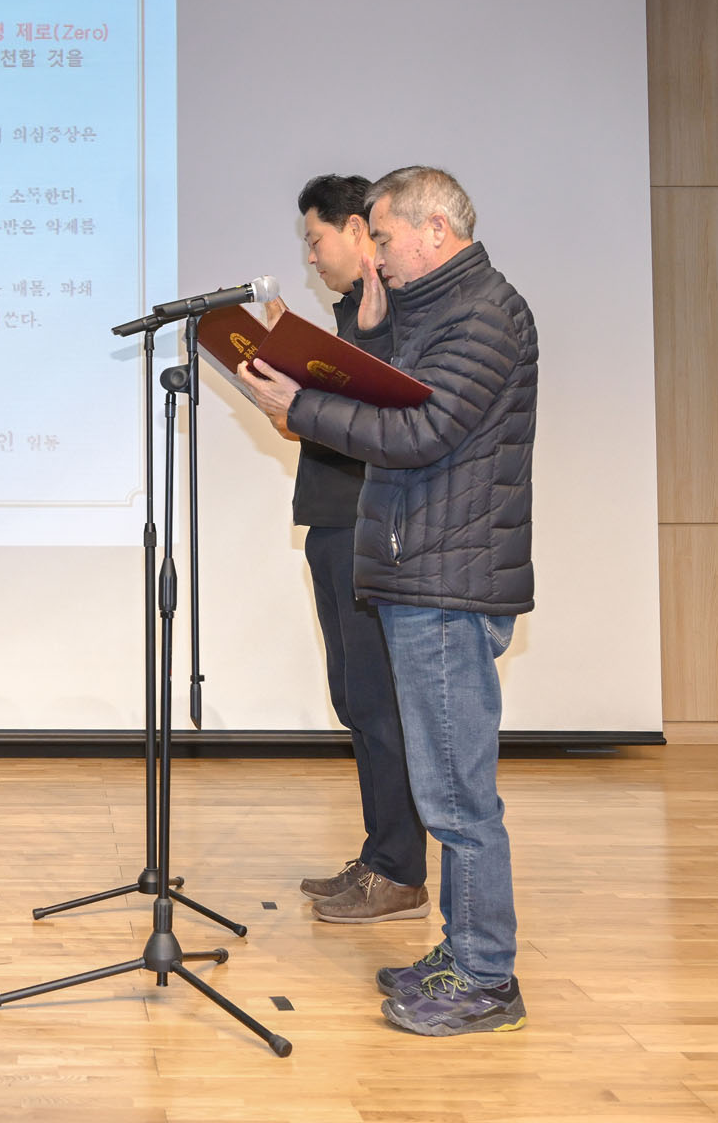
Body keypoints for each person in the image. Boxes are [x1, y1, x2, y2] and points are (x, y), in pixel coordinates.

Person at [236, 165, 537, 1037]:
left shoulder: (484, 315)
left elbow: (421, 430)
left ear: (434, 228)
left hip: (448, 580)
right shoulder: (438, 312)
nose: (375, 251)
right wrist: (373, 328)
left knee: (457, 799)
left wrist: (305, 407)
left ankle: (486, 978)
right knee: (444, 789)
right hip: (425, 572)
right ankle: (462, 953)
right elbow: (400, 399)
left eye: (384, 234)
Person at [271, 174, 429, 926]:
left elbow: (389, 422)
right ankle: (380, 856)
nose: (311, 257)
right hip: (334, 522)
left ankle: (400, 872)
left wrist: (304, 398)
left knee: (378, 701)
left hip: (372, 530)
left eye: (316, 240)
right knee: (355, 699)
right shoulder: (352, 317)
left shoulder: (395, 313)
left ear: (359, 230)